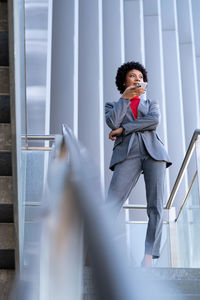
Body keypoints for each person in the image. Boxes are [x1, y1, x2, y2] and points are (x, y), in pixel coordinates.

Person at [105, 61, 172, 267]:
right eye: (133, 76)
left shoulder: (152, 103)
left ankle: (149, 256)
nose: (138, 79)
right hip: (127, 154)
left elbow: (153, 121)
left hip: (154, 153)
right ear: (124, 80)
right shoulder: (113, 105)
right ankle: (97, 250)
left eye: (141, 77)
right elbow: (111, 122)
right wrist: (125, 99)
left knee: (155, 205)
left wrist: (123, 130)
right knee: (112, 201)